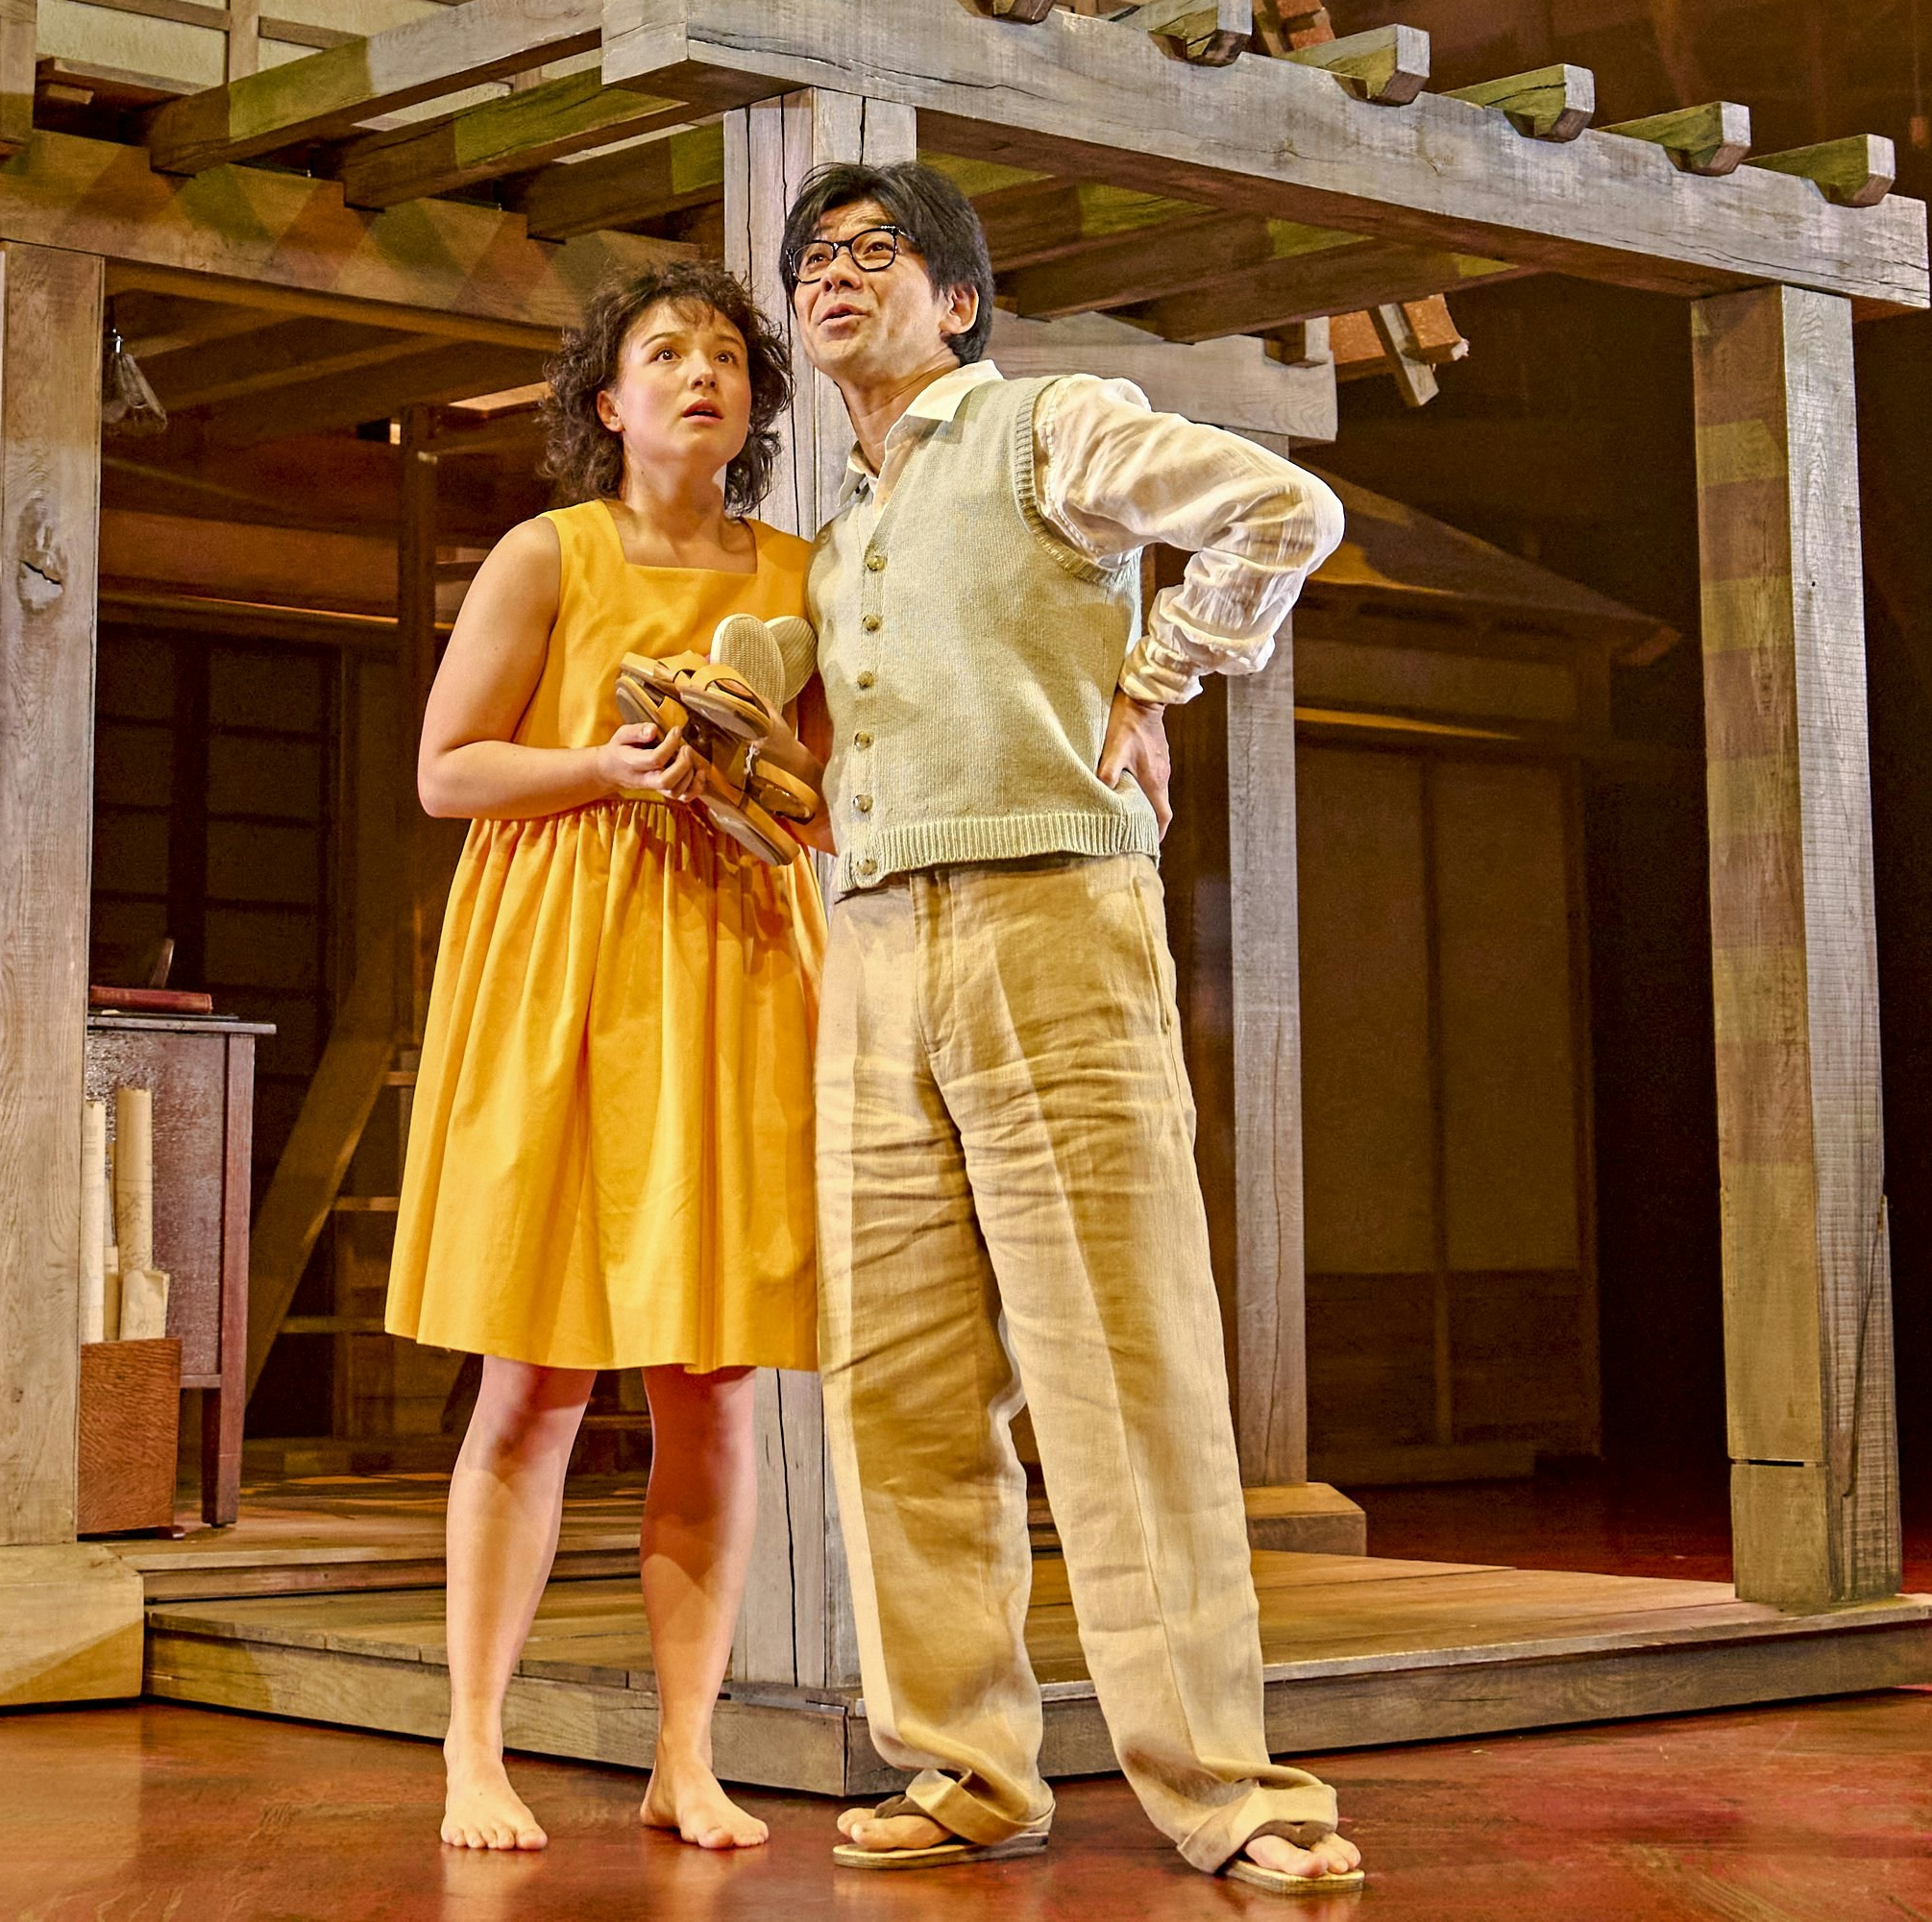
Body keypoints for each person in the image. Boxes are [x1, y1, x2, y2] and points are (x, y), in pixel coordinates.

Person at [782, 165, 1368, 1898]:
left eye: (875, 253)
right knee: (896, 1387)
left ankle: (1228, 1786)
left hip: (1049, 913)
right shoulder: (839, 525)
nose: (835, 277)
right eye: (815, 258)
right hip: (874, 944)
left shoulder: (1048, 423)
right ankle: (961, 1764)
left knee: (1122, 1366)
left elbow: (1281, 509)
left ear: (956, 300)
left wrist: (1159, 673)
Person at [389, 258, 828, 1857]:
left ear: (752, 410)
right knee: (536, 1374)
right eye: (668, 353)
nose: (703, 374)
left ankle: (687, 1756)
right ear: (608, 403)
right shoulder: (545, 552)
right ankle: (475, 1746)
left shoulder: (799, 573)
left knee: (712, 1389)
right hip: (563, 959)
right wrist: (604, 762)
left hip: (731, 964)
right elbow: (446, 771)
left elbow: (832, 803)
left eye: (728, 357)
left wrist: (749, 769)